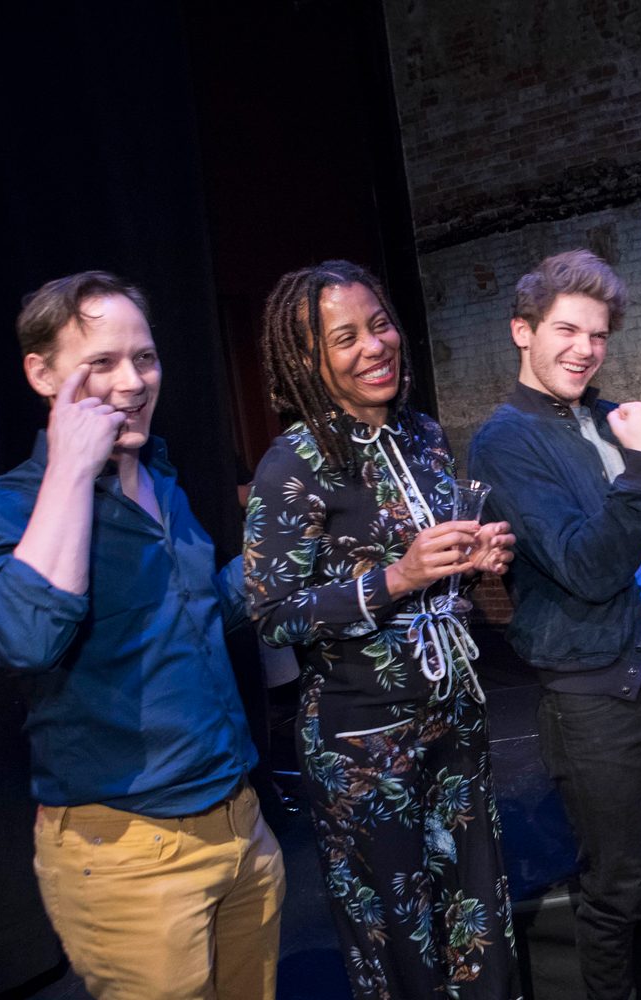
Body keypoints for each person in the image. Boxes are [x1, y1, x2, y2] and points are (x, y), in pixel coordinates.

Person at [0, 271, 286, 999]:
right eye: (101, 362)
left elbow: (199, 611)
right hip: (132, 853)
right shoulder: (4, 508)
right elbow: (24, 639)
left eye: (145, 357)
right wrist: (70, 472)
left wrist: (295, 550)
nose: (133, 382)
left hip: (240, 824)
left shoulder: (162, 481)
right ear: (42, 374)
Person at [469, 250, 641, 1000]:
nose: (585, 349)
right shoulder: (505, 441)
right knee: (617, 886)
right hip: (598, 696)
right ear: (522, 331)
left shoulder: (611, 417)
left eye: (597, 335)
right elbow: (586, 568)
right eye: (566, 330)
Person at [242, 260, 518, 999]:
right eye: (346, 338)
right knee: (402, 937)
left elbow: (438, 571)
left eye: (380, 324)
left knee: (476, 920)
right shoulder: (293, 463)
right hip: (365, 744)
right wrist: (396, 578)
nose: (374, 345)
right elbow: (273, 613)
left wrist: (476, 561)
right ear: (308, 359)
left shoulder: (423, 436)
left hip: (453, 719)